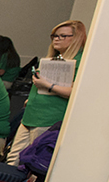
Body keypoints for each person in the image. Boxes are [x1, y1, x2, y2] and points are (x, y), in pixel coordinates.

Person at [6, 20, 86, 166]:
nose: (56, 39)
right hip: (31, 114)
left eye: (62, 36)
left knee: (34, 161)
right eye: (54, 35)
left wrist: (48, 85)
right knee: (13, 158)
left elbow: (76, 92)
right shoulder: (56, 58)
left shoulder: (81, 61)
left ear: (76, 38)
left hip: (48, 118)